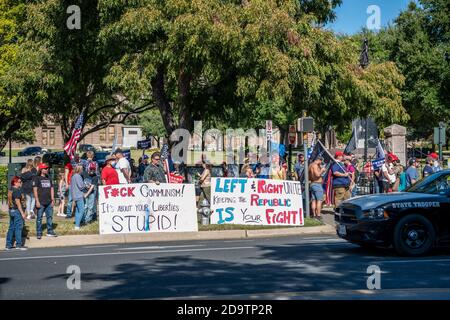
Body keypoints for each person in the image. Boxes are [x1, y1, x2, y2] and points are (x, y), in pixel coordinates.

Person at [33, 163, 57, 239]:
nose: (47, 170)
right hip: (40, 202)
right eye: (45, 168)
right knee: (39, 218)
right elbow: (35, 190)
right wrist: (37, 201)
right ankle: (39, 232)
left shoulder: (48, 178)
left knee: (49, 217)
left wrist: (53, 199)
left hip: (49, 202)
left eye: (47, 168)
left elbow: (52, 188)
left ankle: (49, 231)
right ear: (41, 170)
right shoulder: (37, 178)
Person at [5, 176, 27, 250]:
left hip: (12, 210)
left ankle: (8, 245)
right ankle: (18, 245)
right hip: (17, 211)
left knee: (11, 228)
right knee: (18, 228)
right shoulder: (17, 190)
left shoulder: (10, 190)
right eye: (19, 182)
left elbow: (9, 202)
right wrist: (22, 213)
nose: (21, 183)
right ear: (15, 183)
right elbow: (18, 202)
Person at [71, 165, 87, 230]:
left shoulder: (73, 176)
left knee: (77, 211)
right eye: (82, 169)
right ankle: (77, 226)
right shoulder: (78, 176)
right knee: (81, 211)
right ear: (80, 170)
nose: (82, 170)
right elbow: (81, 186)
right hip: (79, 195)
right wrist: (86, 185)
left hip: (75, 195)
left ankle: (77, 224)